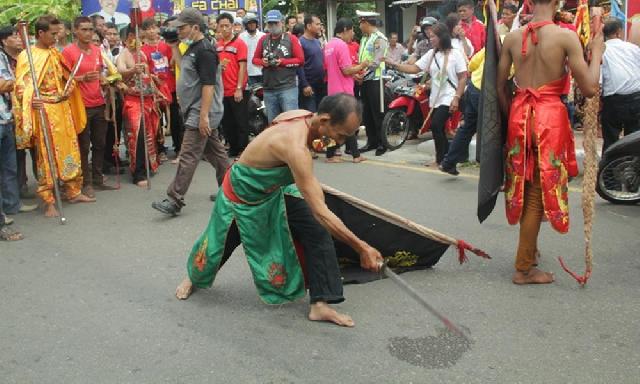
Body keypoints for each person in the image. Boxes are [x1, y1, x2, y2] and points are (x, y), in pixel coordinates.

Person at [174, 93, 384, 327]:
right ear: (324, 120)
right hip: (243, 193)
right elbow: (321, 212)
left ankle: (320, 304)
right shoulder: (295, 147)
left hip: (274, 189)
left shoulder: (302, 116)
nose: (342, 142)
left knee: (316, 231)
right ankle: (193, 278)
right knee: (222, 242)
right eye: (341, 135)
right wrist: (361, 247)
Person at [497, 0, 604, 284]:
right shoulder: (565, 36)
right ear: (556, 2)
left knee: (525, 185)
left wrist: (514, 118)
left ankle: (529, 252)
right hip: (549, 118)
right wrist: (597, 53)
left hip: (520, 115)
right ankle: (523, 268)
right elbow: (590, 88)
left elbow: (499, 86)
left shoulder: (513, 36)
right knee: (535, 196)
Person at [14, 15, 96, 217]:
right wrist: (31, 99)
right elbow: (20, 87)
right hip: (45, 110)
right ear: (40, 33)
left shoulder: (55, 53)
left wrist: (70, 87)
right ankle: (48, 199)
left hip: (62, 108)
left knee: (70, 150)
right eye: (53, 33)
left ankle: (73, 191)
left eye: (58, 32)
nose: (57, 36)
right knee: (46, 154)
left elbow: (65, 77)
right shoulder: (28, 56)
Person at [151, 8, 230, 216]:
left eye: (182, 27)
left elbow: (208, 86)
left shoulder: (205, 50)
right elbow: (184, 68)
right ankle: (233, 190)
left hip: (201, 111)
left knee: (188, 154)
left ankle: (174, 199)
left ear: (195, 27)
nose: (178, 30)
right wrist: (174, 46)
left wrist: (204, 116)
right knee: (216, 154)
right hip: (197, 110)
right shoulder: (192, 47)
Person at [387, 23, 467, 167]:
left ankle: (444, 158)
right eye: (429, 37)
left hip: (450, 96)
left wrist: (457, 97)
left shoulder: (456, 54)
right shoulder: (432, 54)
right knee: (439, 128)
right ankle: (446, 159)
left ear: (442, 37)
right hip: (435, 97)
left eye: (433, 37)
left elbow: (463, 77)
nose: (430, 39)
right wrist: (394, 64)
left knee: (436, 125)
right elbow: (415, 68)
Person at [63, 17, 118, 196]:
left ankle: (98, 178)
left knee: (101, 143)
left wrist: (108, 82)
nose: (88, 33)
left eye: (90, 30)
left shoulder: (96, 50)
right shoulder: (68, 52)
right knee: (83, 145)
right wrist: (81, 79)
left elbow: (100, 74)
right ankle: (85, 183)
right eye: (84, 29)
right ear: (75, 31)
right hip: (80, 105)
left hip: (98, 103)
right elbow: (62, 79)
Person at [1, 26, 37, 229]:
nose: (18, 38)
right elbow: (6, 85)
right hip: (4, 115)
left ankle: (12, 203)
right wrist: (15, 82)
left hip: (12, 115)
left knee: (11, 165)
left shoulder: (16, 58)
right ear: (4, 41)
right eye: (13, 35)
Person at [116, 24, 162, 187]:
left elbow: (148, 74)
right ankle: (138, 172)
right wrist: (132, 70)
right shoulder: (123, 54)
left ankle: (149, 165)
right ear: (126, 39)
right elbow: (120, 71)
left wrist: (155, 87)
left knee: (150, 134)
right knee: (137, 135)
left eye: (139, 38)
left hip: (148, 99)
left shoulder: (142, 53)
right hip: (133, 101)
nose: (136, 41)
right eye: (132, 38)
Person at [324, 18, 368, 164]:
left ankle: (332, 154)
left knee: (333, 124)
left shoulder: (329, 44)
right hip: (344, 91)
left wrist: (354, 75)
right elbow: (346, 69)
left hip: (332, 89)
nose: (353, 34)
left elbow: (335, 68)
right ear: (344, 30)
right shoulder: (341, 45)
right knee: (349, 123)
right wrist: (362, 65)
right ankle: (355, 155)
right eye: (352, 30)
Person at [252, 10, 304, 123]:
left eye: (276, 23)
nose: (273, 26)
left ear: (282, 23)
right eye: (270, 23)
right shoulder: (263, 39)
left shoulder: (291, 39)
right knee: (274, 124)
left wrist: (282, 62)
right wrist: (263, 62)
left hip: (287, 88)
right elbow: (254, 59)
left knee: (291, 122)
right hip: (269, 89)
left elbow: (300, 60)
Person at [599, 18, 640, 152]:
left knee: (610, 140)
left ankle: (609, 170)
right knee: (634, 140)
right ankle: (632, 170)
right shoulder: (633, 48)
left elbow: (599, 81)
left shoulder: (602, 50)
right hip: (635, 99)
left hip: (613, 102)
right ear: (619, 32)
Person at [216, 13, 249, 157]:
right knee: (227, 122)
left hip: (237, 89)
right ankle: (233, 148)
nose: (224, 29)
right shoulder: (217, 46)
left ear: (232, 26)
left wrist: (239, 88)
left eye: (227, 26)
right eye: (221, 26)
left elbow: (242, 67)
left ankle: (243, 149)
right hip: (222, 91)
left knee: (241, 121)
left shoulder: (239, 43)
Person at [357, 11, 388, 156]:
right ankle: (372, 141)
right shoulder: (365, 38)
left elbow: (376, 63)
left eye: (361, 23)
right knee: (367, 113)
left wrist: (361, 73)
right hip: (365, 80)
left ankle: (382, 143)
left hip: (376, 80)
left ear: (366, 23)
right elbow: (362, 59)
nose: (359, 26)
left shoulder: (379, 39)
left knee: (377, 113)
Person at [298, 14, 326, 113]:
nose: (320, 27)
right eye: (317, 24)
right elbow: (299, 66)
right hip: (309, 87)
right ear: (309, 26)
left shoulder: (317, 42)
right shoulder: (300, 42)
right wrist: (305, 85)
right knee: (311, 116)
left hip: (321, 85)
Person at [239, 15, 265, 86]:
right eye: (249, 23)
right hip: (248, 72)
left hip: (263, 71)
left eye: (253, 22)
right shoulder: (241, 37)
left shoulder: (263, 36)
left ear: (256, 24)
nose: (252, 25)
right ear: (245, 25)